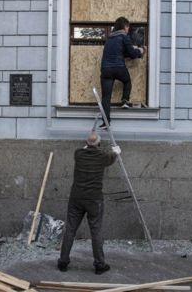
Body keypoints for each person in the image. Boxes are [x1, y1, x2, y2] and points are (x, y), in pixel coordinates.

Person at [57, 131, 121, 274]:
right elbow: (111, 157)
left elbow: (85, 150)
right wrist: (116, 152)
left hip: (76, 198)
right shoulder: (103, 156)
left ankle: (63, 262)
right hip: (94, 199)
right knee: (96, 232)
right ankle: (99, 265)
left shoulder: (78, 154)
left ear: (86, 143)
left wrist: (89, 145)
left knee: (70, 230)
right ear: (98, 143)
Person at [99, 17, 146, 129]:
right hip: (118, 67)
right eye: (128, 27)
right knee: (127, 81)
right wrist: (141, 51)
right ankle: (125, 100)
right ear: (125, 26)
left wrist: (131, 51)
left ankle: (106, 122)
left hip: (105, 70)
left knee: (106, 97)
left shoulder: (109, 38)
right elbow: (132, 53)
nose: (128, 29)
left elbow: (122, 52)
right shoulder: (124, 37)